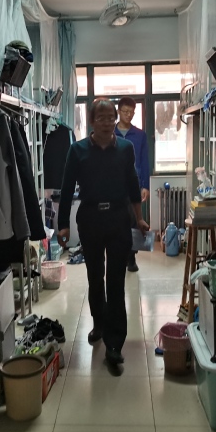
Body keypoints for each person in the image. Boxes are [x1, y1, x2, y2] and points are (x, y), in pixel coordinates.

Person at [57, 98, 149, 367]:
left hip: (119, 219)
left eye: (111, 118)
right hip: (90, 220)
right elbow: (66, 188)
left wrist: (139, 218)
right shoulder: (77, 150)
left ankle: (114, 343)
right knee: (95, 277)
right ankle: (99, 323)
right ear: (91, 121)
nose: (108, 123)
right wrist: (63, 224)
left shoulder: (126, 149)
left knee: (116, 281)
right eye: (102, 118)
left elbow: (133, 185)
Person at [114, 97, 149, 272]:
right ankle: (118, 256)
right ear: (118, 111)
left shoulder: (140, 135)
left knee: (134, 220)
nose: (128, 115)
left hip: (134, 184)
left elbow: (145, 161)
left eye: (131, 112)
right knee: (116, 221)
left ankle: (131, 257)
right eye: (125, 111)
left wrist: (145, 186)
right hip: (114, 185)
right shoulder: (110, 133)